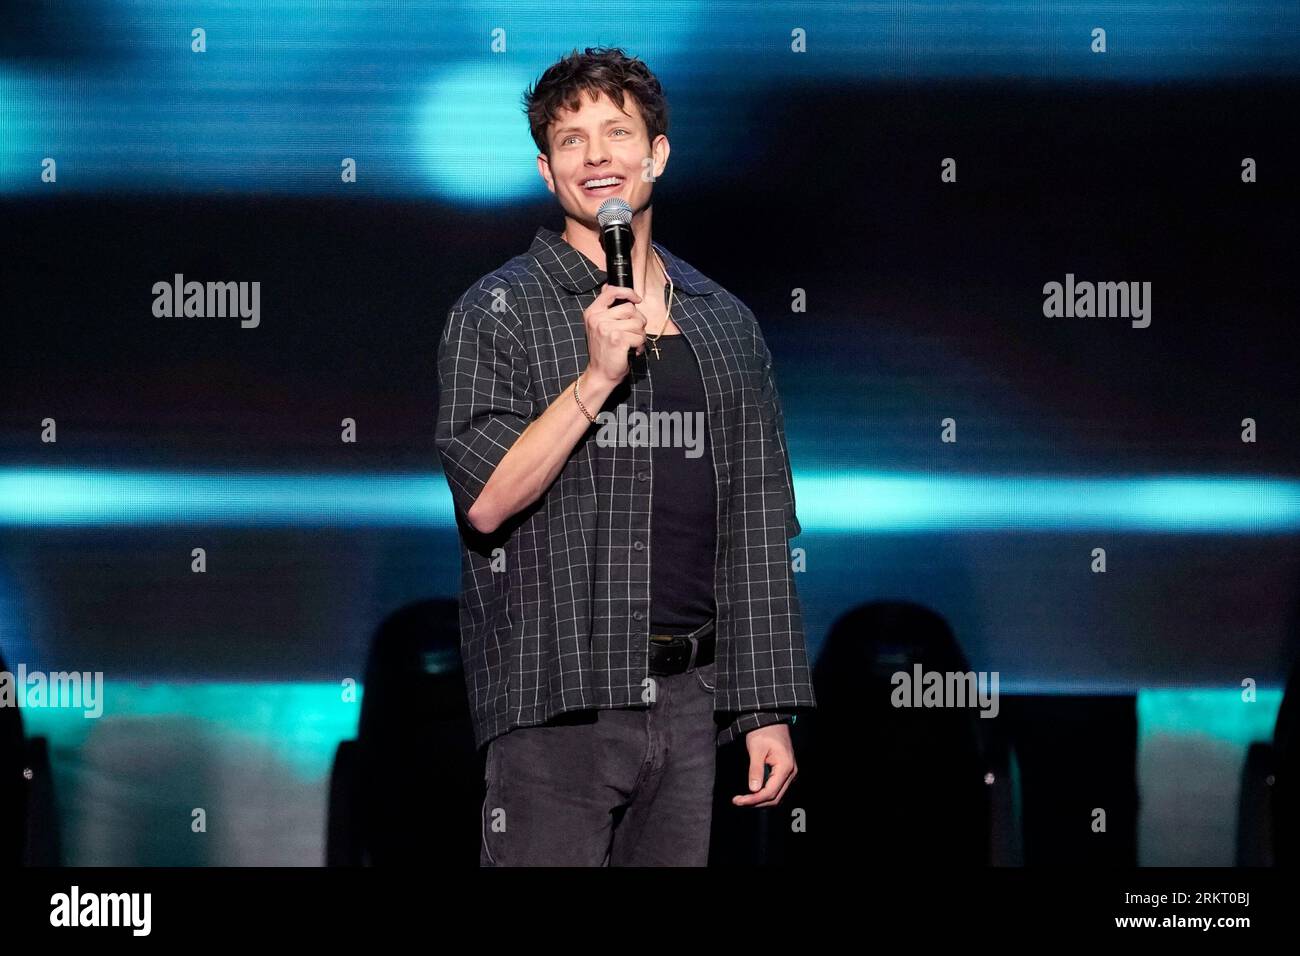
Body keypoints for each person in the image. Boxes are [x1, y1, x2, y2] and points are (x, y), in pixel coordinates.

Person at [435, 46, 816, 866]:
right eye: (572, 140)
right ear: (547, 170)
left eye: (617, 131)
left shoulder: (723, 322)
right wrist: (595, 378)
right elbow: (487, 502)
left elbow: (755, 521)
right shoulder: (498, 311)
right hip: (557, 696)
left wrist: (765, 707)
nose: (598, 155)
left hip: (690, 701)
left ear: (658, 153)